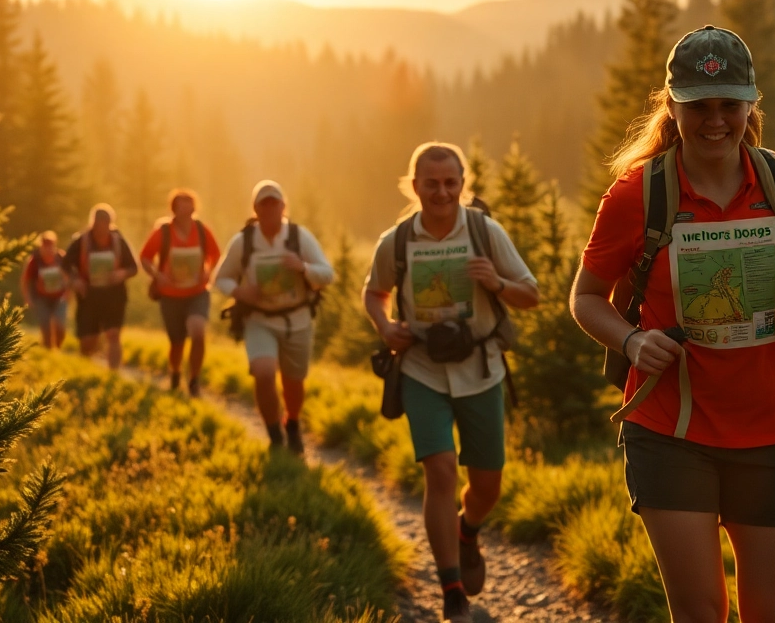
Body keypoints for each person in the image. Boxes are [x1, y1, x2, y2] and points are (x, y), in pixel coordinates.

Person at [570, 25, 775, 623]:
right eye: (699, 107)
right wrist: (631, 341)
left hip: (773, 428)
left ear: (750, 105)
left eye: (729, 105)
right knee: (701, 613)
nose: (715, 121)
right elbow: (585, 298)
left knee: (770, 614)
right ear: (672, 107)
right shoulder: (637, 194)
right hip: (670, 430)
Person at [363, 142, 539, 623]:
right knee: (439, 472)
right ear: (414, 185)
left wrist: (496, 283)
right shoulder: (396, 241)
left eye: (450, 182)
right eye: (431, 183)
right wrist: (385, 327)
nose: (441, 192)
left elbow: (532, 295)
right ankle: (452, 590)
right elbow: (373, 292)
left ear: (463, 183)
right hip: (421, 369)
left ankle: (468, 531)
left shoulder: (485, 232)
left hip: (480, 369)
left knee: (487, 488)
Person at [212, 180, 334, 453]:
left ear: (283, 206)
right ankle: (274, 434)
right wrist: (241, 293)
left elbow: (328, 274)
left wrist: (301, 267)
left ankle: (292, 422)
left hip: (297, 319)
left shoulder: (299, 237)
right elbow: (220, 279)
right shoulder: (243, 241)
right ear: (255, 209)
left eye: (274, 203)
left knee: (294, 382)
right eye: (263, 204)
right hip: (259, 319)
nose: (269, 208)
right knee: (264, 373)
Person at [139, 188, 221, 394]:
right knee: (176, 342)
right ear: (173, 208)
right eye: (180, 204)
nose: (185, 208)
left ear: (194, 207)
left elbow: (215, 254)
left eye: (189, 204)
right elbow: (145, 257)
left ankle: (194, 380)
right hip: (170, 295)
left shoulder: (202, 230)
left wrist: (207, 272)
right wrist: (159, 276)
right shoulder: (163, 232)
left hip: (198, 292)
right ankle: (175, 373)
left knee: (198, 332)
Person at [62, 203, 138, 370]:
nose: (101, 227)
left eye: (105, 223)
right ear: (93, 223)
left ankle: (113, 374)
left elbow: (133, 267)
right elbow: (65, 264)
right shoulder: (81, 241)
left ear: (110, 223)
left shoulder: (119, 241)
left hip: (114, 295)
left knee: (113, 334)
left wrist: (121, 274)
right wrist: (75, 280)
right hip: (89, 295)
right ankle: (85, 371)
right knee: (88, 340)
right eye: (98, 223)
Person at [20, 230, 69, 349]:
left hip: (60, 298)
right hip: (41, 298)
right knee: (46, 327)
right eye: (45, 246)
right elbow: (25, 281)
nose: (48, 249)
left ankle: (58, 348)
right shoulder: (34, 261)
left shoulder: (61, 258)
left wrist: (69, 294)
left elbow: (69, 278)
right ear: (41, 246)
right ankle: (48, 352)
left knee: (60, 327)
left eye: (51, 246)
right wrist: (28, 298)